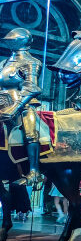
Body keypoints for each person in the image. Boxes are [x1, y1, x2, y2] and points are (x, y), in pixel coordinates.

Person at [0, 28, 44, 188]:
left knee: (30, 132)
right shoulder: (4, 62)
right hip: (2, 104)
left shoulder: (31, 62)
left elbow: (32, 87)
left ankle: (34, 171)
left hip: (22, 105)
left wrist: (14, 109)